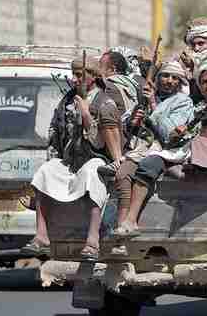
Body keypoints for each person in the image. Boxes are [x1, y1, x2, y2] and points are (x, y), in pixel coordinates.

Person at [21, 52, 133, 260]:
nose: (75, 79)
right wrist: (55, 153)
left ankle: (92, 240)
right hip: (72, 159)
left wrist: (86, 114)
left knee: (92, 173)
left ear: (93, 76)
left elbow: (101, 142)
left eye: (80, 75)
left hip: (97, 157)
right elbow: (56, 130)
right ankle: (42, 236)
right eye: (74, 75)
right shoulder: (68, 99)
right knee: (46, 170)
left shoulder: (105, 102)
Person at [104, 60, 195, 238]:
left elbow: (170, 134)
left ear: (180, 82)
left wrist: (153, 105)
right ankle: (122, 226)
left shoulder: (183, 102)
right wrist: (134, 122)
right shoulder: (144, 98)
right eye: (165, 76)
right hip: (140, 147)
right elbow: (130, 130)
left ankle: (131, 220)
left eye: (174, 78)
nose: (169, 80)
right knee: (123, 174)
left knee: (147, 166)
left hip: (167, 150)